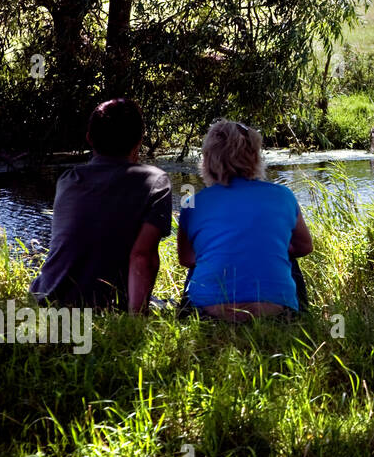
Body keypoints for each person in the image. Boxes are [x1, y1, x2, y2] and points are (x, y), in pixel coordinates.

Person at [29, 98, 172, 313]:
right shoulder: (155, 181)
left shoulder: (68, 179)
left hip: (46, 297)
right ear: (139, 141)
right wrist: (136, 322)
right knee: (169, 306)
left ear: (89, 139)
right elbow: (143, 257)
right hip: (104, 305)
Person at [178, 119, 313, 321]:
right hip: (274, 312)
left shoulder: (191, 203)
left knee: (201, 262)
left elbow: (187, 259)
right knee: (289, 259)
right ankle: (301, 315)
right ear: (255, 157)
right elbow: (304, 246)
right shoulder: (283, 196)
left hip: (210, 313)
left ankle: (189, 314)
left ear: (208, 160)